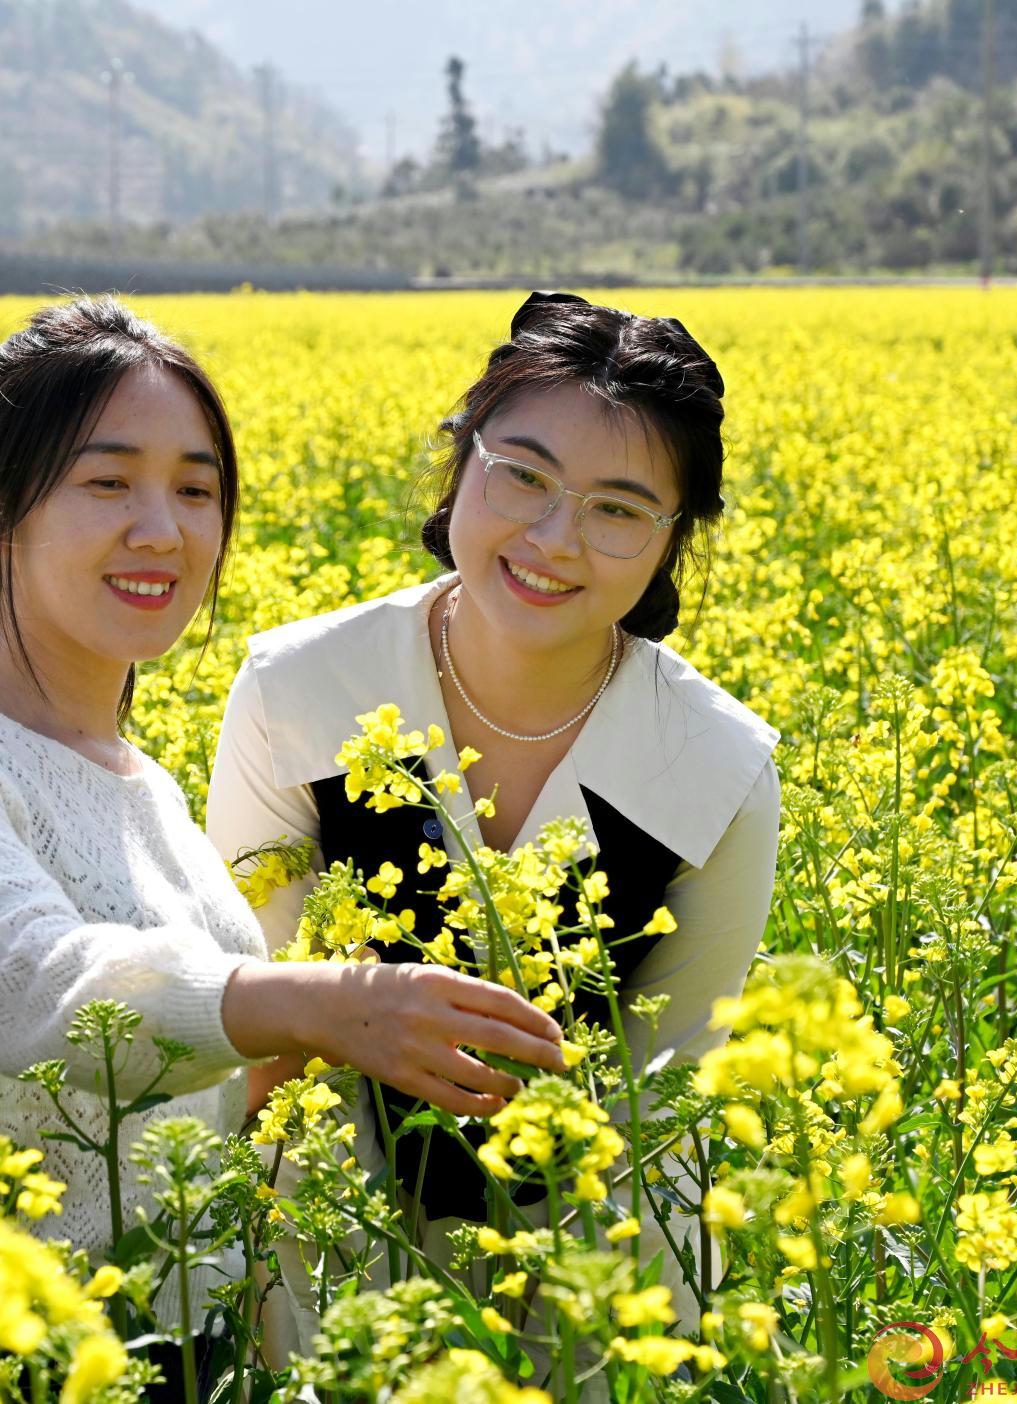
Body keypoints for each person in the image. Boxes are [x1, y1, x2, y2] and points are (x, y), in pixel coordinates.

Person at [0, 297, 569, 1401]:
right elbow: (32, 995)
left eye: (196, 489)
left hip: (165, 1352)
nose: (163, 530)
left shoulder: (148, 789)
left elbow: (200, 1074)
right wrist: (319, 1002)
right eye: (108, 483)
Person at [206, 291, 782, 1363]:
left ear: (673, 542)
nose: (554, 538)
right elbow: (259, 1021)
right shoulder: (300, 688)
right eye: (522, 474)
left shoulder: (717, 765)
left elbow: (670, 1095)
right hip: (326, 1227)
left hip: (592, 1246)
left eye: (618, 509)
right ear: (460, 464)